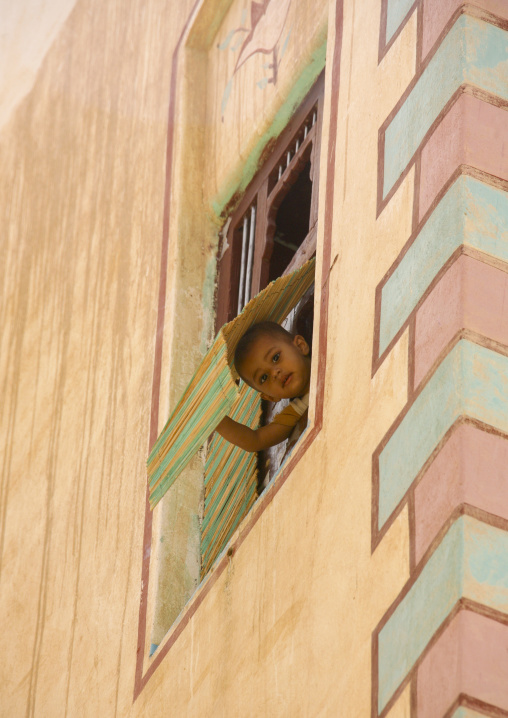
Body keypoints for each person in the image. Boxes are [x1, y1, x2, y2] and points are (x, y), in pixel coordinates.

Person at [216, 321, 311, 451]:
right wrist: (216, 419)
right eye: (264, 377)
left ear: (300, 346)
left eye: (275, 358)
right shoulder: (297, 410)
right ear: (270, 397)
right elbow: (255, 440)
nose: (275, 373)